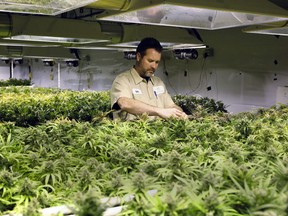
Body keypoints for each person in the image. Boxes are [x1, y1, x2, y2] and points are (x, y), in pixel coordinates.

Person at [110, 37, 187, 120]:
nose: (154, 66)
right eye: (150, 61)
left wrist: (180, 113)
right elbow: (124, 103)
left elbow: (171, 106)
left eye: (157, 62)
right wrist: (159, 111)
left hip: (158, 132)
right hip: (133, 132)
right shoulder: (123, 80)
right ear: (139, 57)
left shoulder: (158, 82)